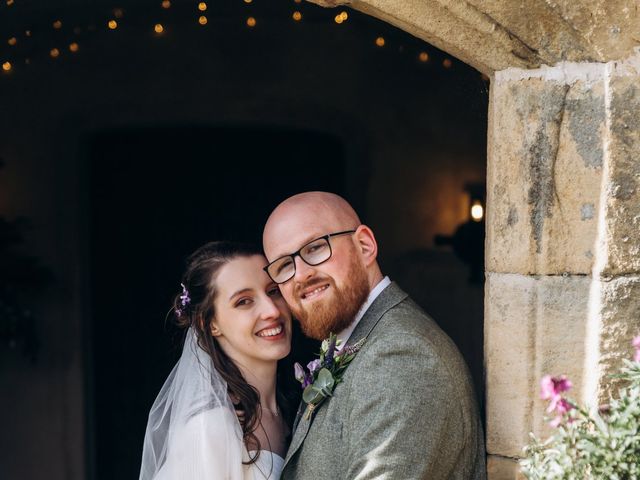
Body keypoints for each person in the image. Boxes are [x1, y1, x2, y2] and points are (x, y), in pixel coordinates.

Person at [263, 192, 487, 480]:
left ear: (365, 246)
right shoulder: (355, 341)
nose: (301, 275)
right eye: (284, 266)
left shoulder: (402, 357)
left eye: (316, 248)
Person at [140, 241, 296, 480]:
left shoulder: (294, 409)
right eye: (244, 301)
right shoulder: (210, 428)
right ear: (210, 324)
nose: (272, 311)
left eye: (273, 291)